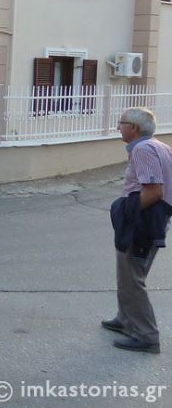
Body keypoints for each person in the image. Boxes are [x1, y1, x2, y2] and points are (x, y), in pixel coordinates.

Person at [102, 107, 172, 354]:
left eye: (121, 123)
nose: (118, 126)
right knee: (128, 272)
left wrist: (128, 214)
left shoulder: (143, 149)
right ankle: (125, 319)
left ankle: (146, 335)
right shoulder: (160, 146)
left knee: (132, 277)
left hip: (142, 220)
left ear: (134, 128)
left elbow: (154, 191)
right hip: (153, 218)